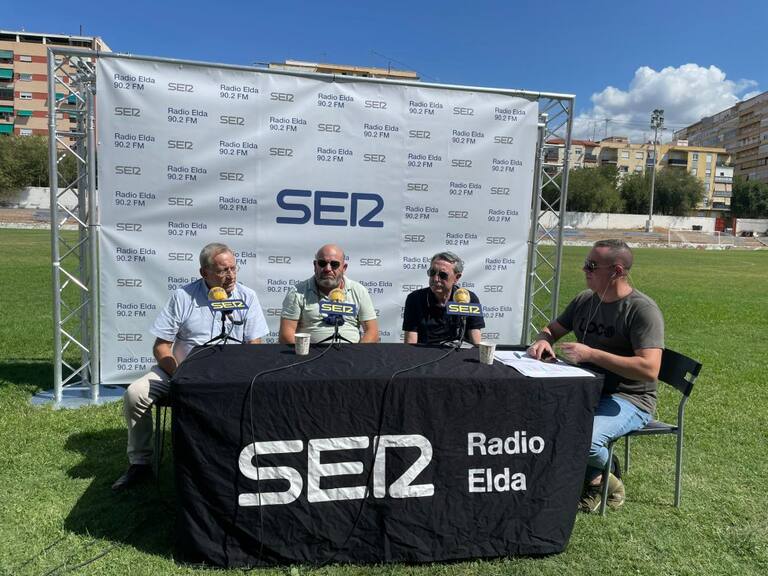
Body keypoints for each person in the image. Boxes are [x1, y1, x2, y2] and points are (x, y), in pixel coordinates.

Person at [112, 242, 268, 491]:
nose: (230, 276)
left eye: (233, 268)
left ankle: (242, 456)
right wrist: (180, 375)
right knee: (135, 394)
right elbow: (161, 347)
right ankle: (140, 463)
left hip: (230, 376)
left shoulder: (247, 297)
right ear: (204, 272)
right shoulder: (183, 297)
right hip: (182, 373)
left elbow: (254, 346)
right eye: (222, 271)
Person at [527, 239, 664, 512]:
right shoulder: (585, 300)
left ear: (616, 271)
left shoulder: (642, 310)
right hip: (587, 391)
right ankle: (594, 475)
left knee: (585, 441)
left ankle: (606, 479)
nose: (584, 269)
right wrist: (543, 340)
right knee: (539, 417)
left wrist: (591, 354)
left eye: (591, 265)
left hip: (630, 399)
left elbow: (650, 369)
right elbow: (552, 329)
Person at [279, 243, 379, 344]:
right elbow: (286, 334)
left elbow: (372, 332)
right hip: (311, 352)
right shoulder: (297, 292)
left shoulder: (359, 290)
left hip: (351, 351)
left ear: (344, 268)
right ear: (315, 266)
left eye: (334, 264)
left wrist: (358, 352)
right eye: (322, 263)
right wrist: (303, 352)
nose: (328, 269)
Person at [402, 251, 484, 345]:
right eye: (432, 272)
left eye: (443, 275)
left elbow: (476, 339)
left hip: (457, 351)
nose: (436, 279)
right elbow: (410, 343)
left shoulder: (469, 298)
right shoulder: (415, 299)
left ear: (457, 278)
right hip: (424, 351)